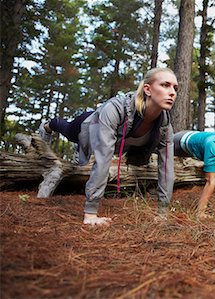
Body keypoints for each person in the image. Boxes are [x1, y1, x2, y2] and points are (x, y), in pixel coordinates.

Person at [39, 67, 178, 226]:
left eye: (175, 88)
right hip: (90, 124)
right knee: (69, 130)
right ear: (147, 89)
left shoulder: (164, 126)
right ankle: (49, 125)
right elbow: (104, 158)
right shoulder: (117, 108)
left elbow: (167, 168)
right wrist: (91, 212)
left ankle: (78, 147)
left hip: (116, 142)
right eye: (165, 85)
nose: (172, 92)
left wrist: (162, 212)